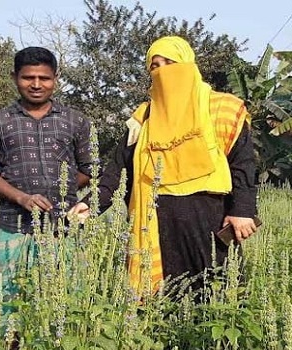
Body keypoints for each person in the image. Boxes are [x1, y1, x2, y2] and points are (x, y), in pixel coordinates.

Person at [69, 36, 258, 299]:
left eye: (170, 62)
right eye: (154, 66)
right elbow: (117, 172)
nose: (163, 71)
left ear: (188, 64)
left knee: (218, 291)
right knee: (164, 299)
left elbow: (243, 165)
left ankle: (217, 342)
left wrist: (243, 210)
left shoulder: (222, 108)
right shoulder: (143, 119)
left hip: (209, 216)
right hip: (157, 219)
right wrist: (89, 205)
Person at [0, 46, 93, 320]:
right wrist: (21, 198)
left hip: (63, 225)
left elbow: (89, 168)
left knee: (66, 297)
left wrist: (62, 188)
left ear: (55, 78)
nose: (37, 84)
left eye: (44, 78)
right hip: (12, 224)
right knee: (9, 300)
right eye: (28, 78)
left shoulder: (76, 121)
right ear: (15, 77)